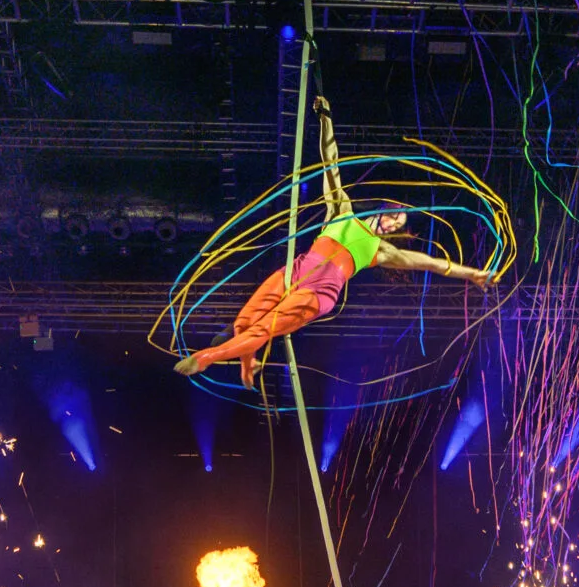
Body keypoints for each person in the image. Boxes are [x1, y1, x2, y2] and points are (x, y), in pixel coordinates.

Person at [175, 95, 496, 383]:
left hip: (320, 292)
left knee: (264, 328)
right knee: (244, 321)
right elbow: (331, 162)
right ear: (385, 210)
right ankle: (248, 362)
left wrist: (473, 274)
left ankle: (205, 358)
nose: (396, 225)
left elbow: (433, 264)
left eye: (400, 225)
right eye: (396, 217)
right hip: (295, 271)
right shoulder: (342, 210)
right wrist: (325, 118)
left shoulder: (381, 250)